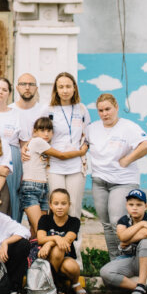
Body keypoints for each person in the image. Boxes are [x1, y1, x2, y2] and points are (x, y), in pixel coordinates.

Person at [86, 93, 147, 258]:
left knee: (118, 222)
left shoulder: (128, 127)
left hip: (122, 182)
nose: (104, 114)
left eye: (108, 109)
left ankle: (129, 257)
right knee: (107, 224)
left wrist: (128, 159)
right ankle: (115, 260)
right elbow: (81, 145)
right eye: (100, 110)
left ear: (116, 107)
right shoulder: (92, 128)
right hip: (99, 181)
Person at [99, 189, 147, 294]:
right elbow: (122, 235)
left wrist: (127, 241)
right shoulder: (123, 220)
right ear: (126, 205)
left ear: (145, 206)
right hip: (129, 261)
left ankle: (141, 283)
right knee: (105, 272)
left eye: (139, 204)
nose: (135, 207)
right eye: (131, 204)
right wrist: (141, 224)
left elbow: (146, 233)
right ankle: (143, 288)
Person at [47, 72, 90, 219]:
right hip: (54, 166)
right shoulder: (49, 110)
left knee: (73, 206)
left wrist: (84, 149)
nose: (65, 90)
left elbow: (87, 134)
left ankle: (75, 241)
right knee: (57, 207)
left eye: (68, 86)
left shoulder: (82, 109)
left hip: (76, 166)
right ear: (56, 90)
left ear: (74, 88)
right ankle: (57, 241)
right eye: (61, 87)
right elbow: (40, 136)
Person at [37, 188, 86, 294]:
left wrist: (50, 242)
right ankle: (56, 284)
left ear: (69, 205)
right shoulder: (45, 219)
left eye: (63, 203)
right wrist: (57, 239)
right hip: (47, 258)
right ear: (50, 205)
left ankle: (75, 283)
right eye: (56, 203)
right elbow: (40, 239)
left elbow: (67, 239)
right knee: (58, 249)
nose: (59, 207)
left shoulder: (74, 221)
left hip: (65, 258)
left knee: (71, 265)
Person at [0, 78, 23, 221]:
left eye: (4, 89)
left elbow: (24, 142)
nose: (0, 92)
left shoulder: (16, 114)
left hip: (12, 157)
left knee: (12, 195)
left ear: (9, 93)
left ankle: (13, 233)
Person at [20, 117, 53, 235]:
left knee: (36, 230)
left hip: (43, 188)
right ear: (35, 132)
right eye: (42, 130)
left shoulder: (44, 144)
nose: (46, 134)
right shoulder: (38, 142)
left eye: (49, 131)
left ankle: (33, 253)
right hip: (31, 187)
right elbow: (62, 155)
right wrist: (82, 151)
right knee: (41, 228)